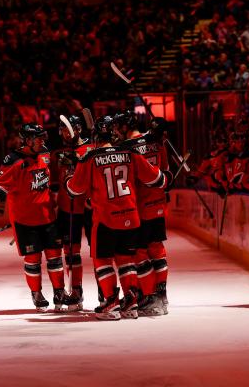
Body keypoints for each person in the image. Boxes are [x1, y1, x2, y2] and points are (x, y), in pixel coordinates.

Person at [66, 116, 169, 320]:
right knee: (126, 260)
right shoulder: (129, 153)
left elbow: (74, 190)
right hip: (131, 217)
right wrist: (167, 179)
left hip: (106, 218)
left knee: (102, 260)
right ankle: (131, 304)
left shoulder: (90, 158)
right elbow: (156, 178)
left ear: (96, 136)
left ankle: (111, 303)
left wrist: (70, 173)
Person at [0, 123, 78, 312]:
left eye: (42, 137)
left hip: (48, 217)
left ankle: (59, 292)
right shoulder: (13, 160)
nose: (42, 141)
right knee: (33, 259)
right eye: (38, 138)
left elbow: (53, 177)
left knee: (55, 257)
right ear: (27, 140)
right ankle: (36, 293)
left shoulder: (45, 154)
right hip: (25, 221)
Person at [112, 111, 172, 317]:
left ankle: (149, 296)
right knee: (157, 248)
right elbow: (166, 173)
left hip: (139, 207)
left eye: (119, 127)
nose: (116, 131)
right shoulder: (156, 141)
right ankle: (162, 295)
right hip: (158, 203)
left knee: (139, 252)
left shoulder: (126, 148)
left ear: (126, 126)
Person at [49, 115, 93, 309]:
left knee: (102, 253)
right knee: (71, 253)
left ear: (78, 129)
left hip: (91, 209)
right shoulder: (57, 154)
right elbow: (51, 186)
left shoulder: (92, 150)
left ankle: (106, 293)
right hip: (68, 210)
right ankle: (77, 290)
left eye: (69, 129)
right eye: (63, 130)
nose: (66, 134)